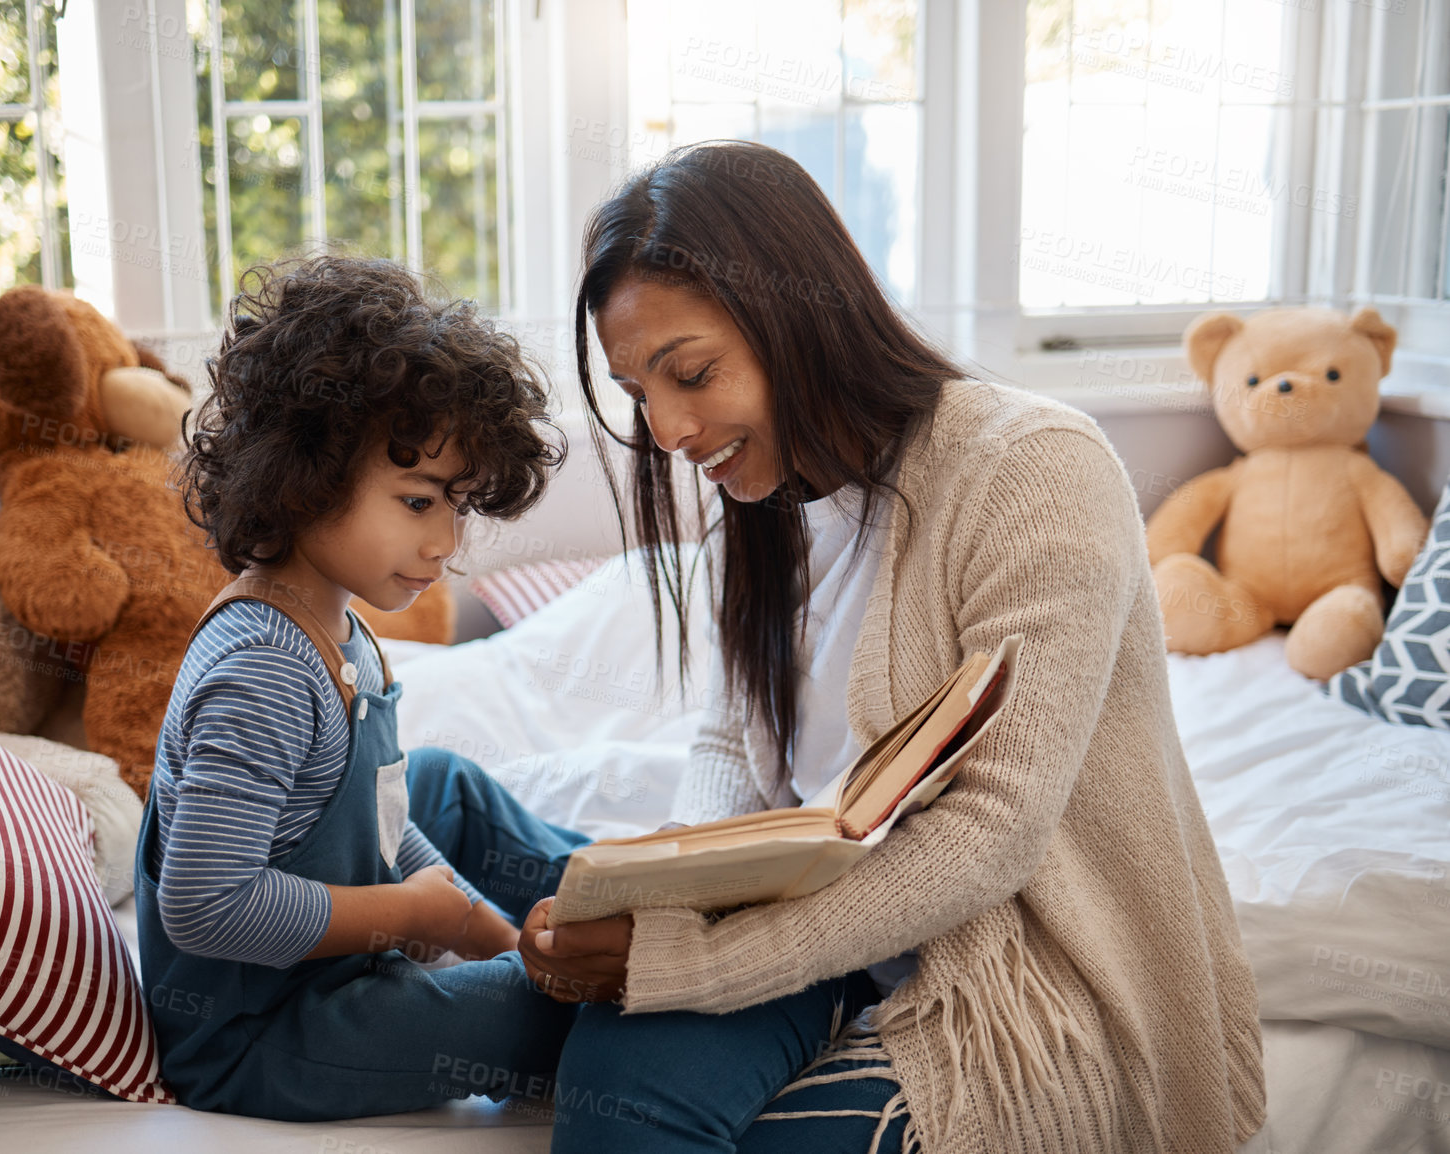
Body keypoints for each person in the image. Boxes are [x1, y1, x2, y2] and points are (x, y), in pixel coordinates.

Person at [516, 141, 1267, 1153]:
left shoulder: (1035, 469)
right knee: (599, 1066)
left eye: (691, 373)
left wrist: (685, 966)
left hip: (1005, 981)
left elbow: (988, 836)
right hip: (810, 936)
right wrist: (680, 891)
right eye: (639, 390)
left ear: (800, 314)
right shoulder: (762, 497)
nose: (672, 431)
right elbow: (731, 743)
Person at [134, 255, 590, 1122]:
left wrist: (482, 931)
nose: (446, 543)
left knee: (443, 784)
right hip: (259, 1030)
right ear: (301, 474)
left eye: (458, 507)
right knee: (545, 1015)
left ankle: (607, 899)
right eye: (418, 503)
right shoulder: (263, 668)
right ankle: (601, 962)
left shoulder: (341, 627)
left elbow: (385, 822)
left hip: (334, 961)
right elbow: (206, 907)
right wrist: (410, 919)